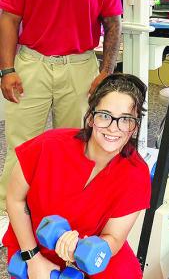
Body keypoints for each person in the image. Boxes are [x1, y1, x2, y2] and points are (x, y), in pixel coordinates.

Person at [0, 0, 122, 240]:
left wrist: (105, 71)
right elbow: (9, 20)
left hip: (80, 67)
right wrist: (6, 69)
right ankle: (9, 214)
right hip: (32, 64)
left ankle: (67, 212)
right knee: (22, 145)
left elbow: (113, 25)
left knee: (78, 146)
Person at [3, 73, 151, 278]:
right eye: (105, 116)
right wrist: (33, 257)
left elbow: (114, 238)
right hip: (34, 244)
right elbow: (15, 199)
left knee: (127, 272)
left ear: (134, 126)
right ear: (90, 117)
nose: (113, 128)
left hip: (89, 249)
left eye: (125, 119)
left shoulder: (136, 173)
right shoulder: (48, 145)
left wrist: (76, 251)